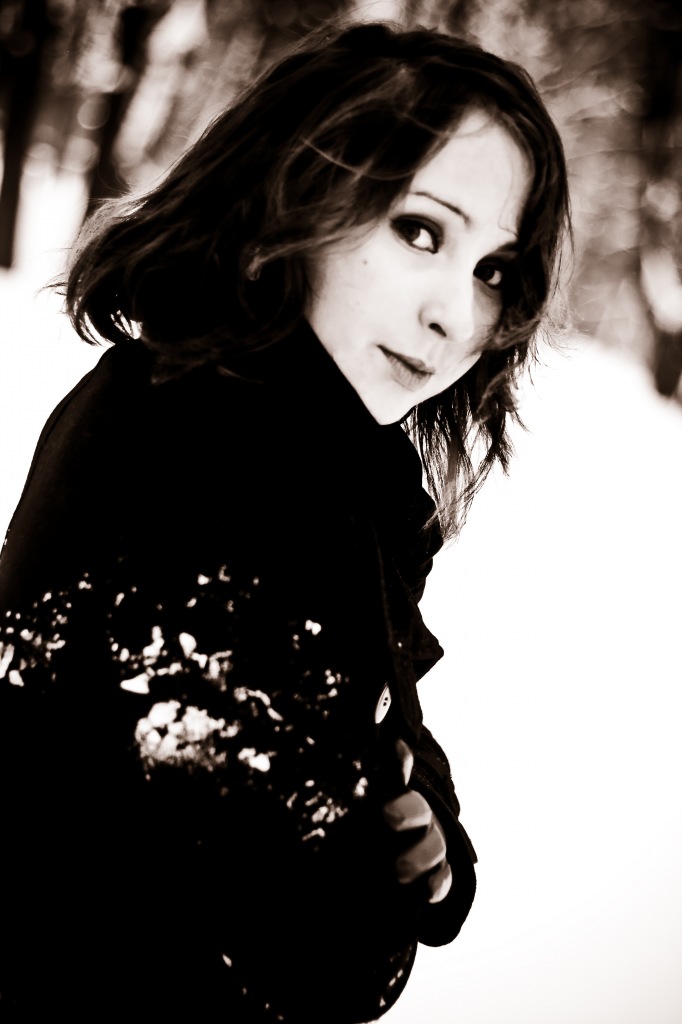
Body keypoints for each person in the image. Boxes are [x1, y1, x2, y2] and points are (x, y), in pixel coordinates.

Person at [0, 19, 570, 1022]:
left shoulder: (329, 464)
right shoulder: (199, 451)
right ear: (292, 192)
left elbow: (370, 739)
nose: (455, 314)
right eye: (419, 230)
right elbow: (300, 946)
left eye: (494, 269)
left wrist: (427, 831)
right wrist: (384, 884)